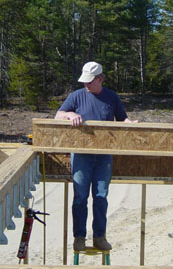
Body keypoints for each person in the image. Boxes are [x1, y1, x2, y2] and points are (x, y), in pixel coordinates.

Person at [55, 61, 137, 252]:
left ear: (100, 79)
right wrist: (70, 115)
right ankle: (79, 237)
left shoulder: (112, 97)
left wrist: (129, 123)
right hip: (81, 155)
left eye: (90, 82)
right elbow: (58, 115)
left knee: (101, 196)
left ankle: (99, 236)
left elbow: (122, 118)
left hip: (103, 156)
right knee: (80, 197)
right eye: (84, 81)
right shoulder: (76, 96)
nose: (86, 85)